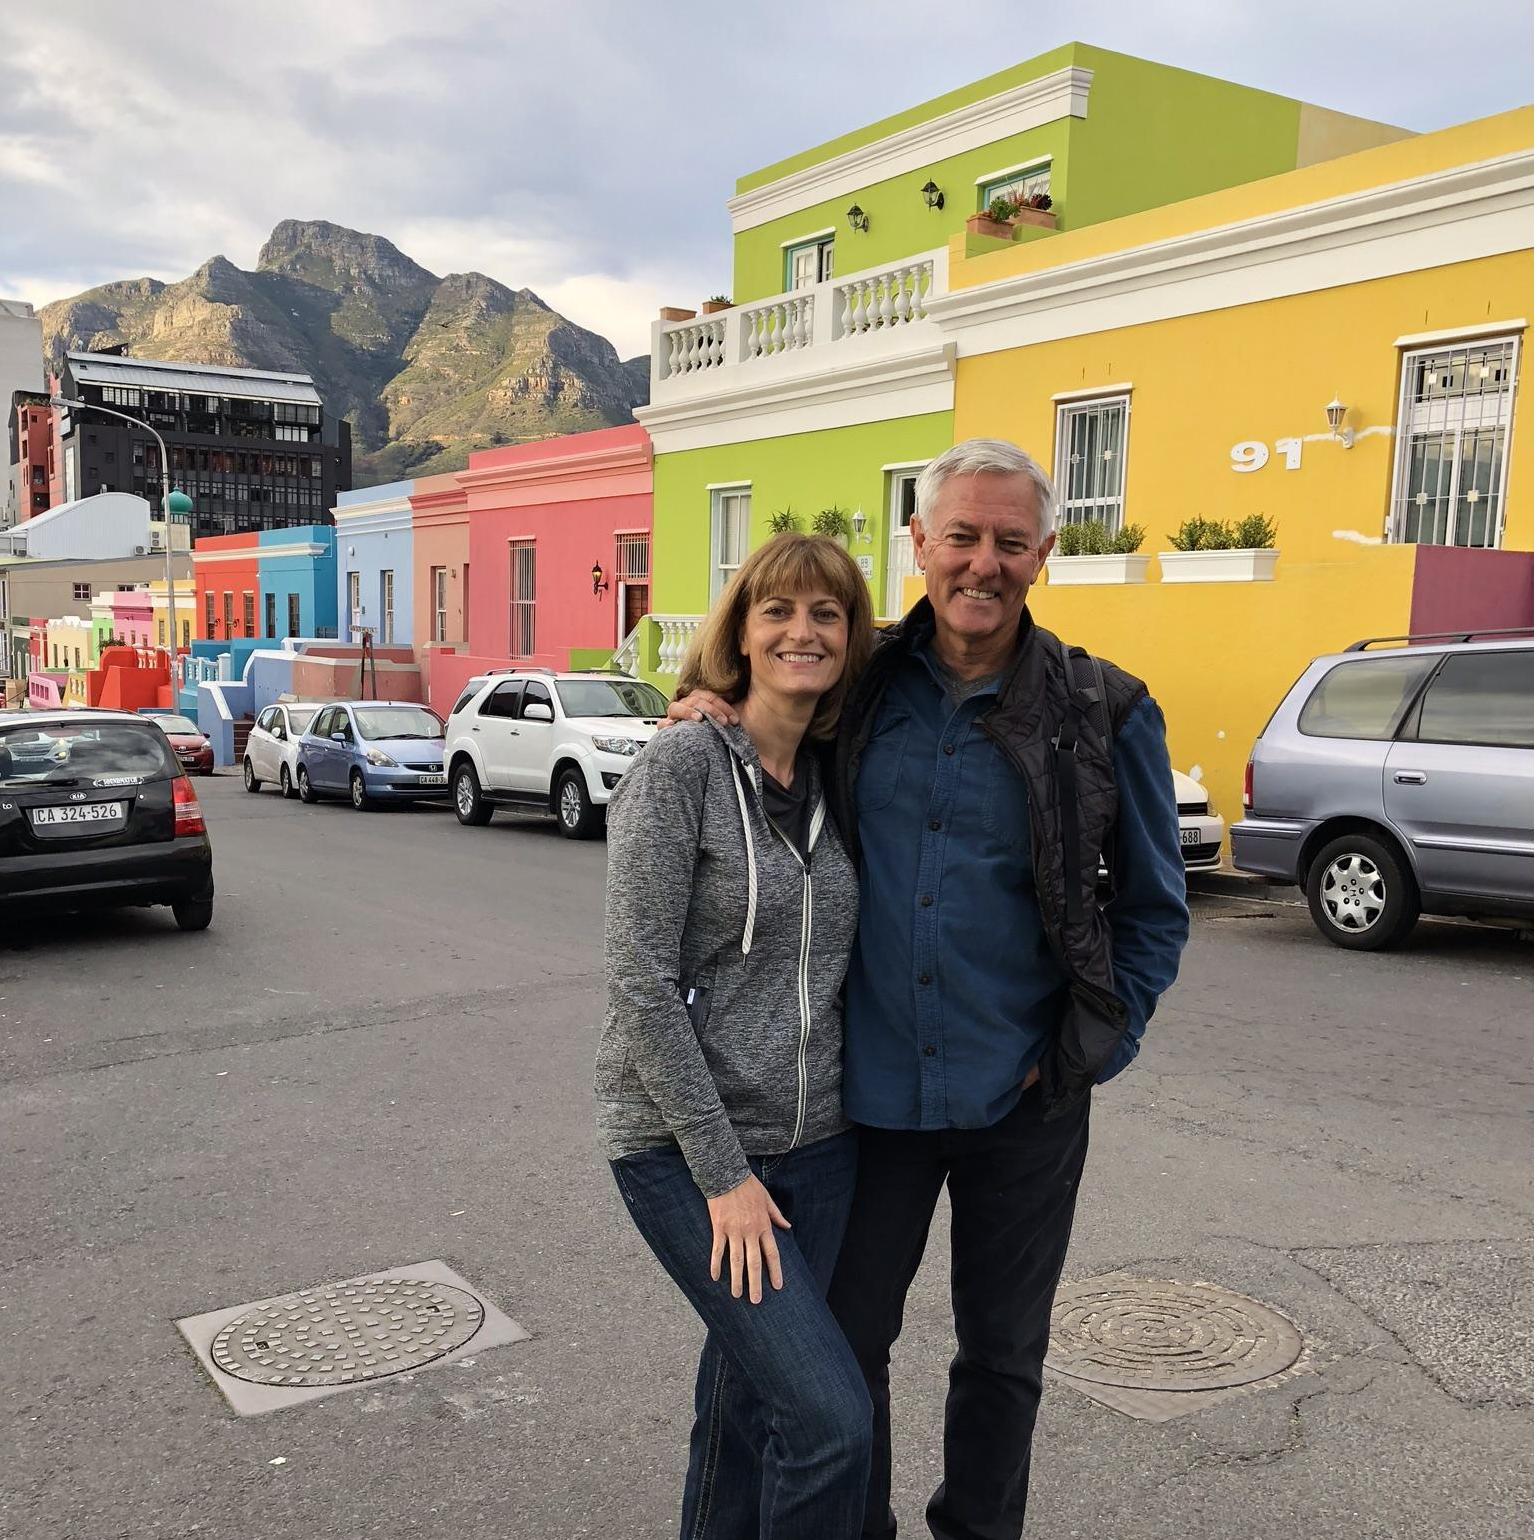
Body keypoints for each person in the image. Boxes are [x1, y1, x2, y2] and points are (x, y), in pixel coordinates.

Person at [671, 438, 1190, 1540]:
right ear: (920, 542)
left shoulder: (1103, 707)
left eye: (1010, 541)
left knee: (1002, 1359)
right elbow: (764, 713)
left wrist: (1092, 1046)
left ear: (1044, 554)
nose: (982, 563)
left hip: (1026, 1100)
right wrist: (704, 706)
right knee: (844, 1352)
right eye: (961, 536)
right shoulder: (857, 684)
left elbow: (1154, 909)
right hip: (867, 1103)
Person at [598, 532, 878, 1540]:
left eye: (827, 614)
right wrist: (722, 1175)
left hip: (820, 1145)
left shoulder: (841, 772)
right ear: (743, 633)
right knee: (831, 1422)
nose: (804, 631)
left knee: (750, 1403)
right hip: (685, 1151)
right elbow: (639, 980)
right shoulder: (683, 764)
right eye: (778, 610)